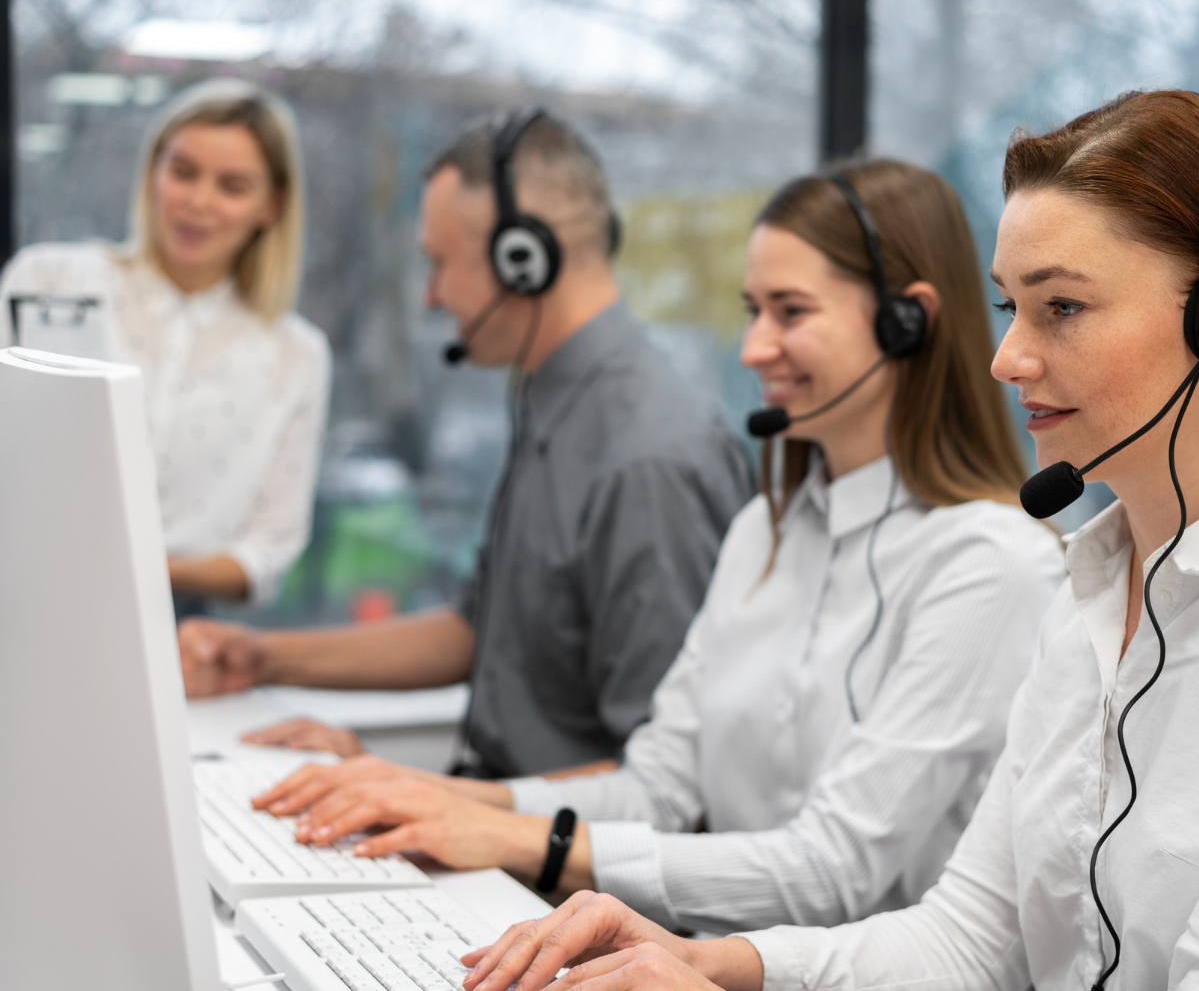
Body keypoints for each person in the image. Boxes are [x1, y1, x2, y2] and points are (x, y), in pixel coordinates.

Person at [452, 90, 1199, 991]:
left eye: (1062, 308)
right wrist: (715, 964)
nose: (1007, 357)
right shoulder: (1094, 585)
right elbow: (966, 937)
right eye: (1011, 307)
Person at [248, 159, 1065, 934]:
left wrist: (518, 839)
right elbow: (659, 787)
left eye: (791, 311)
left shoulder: (989, 563)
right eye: (752, 311)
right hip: (696, 961)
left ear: (906, 322)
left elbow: (833, 870)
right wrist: (430, 799)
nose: (752, 348)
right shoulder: (765, 533)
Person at [178, 110, 755, 778]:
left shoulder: (647, 457)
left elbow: (666, 783)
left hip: (565, 876)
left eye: (440, 263)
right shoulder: (554, 400)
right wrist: (265, 657)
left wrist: (415, 794)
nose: (431, 296)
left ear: (523, 262)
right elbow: (477, 632)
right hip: (502, 825)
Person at [0, 79, 329, 611]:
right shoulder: (49, 280)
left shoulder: (297, 354)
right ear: (153, 172)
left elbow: (271, 547)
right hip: (16, 588)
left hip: (175, 616)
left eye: (232, 185)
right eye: (183, 172)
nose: (198, 202)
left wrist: (140, 573)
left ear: (272, 205)